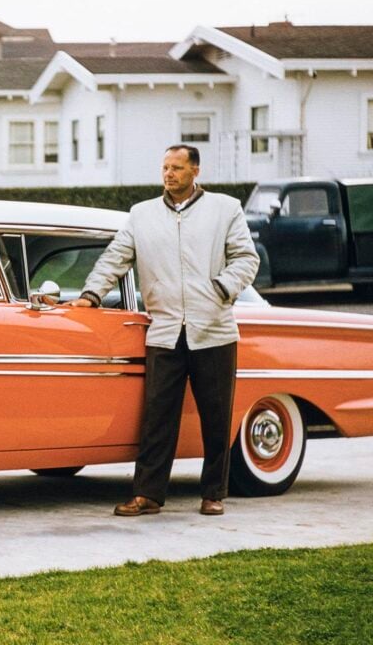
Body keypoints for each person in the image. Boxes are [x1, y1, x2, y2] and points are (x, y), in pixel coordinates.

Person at [69, 144, 259, 517]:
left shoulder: (225, 209)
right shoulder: (142, 215)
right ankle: (148, 495)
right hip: (165, 331)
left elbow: (246, 258)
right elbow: (115, 257)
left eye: (177, 168)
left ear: (195, 171)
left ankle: (213, 493)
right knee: (157, 416)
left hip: (214, 330)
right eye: (165, 168)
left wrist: (220, 289)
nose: (169, 174)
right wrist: (91, 294)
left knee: (216, 417)